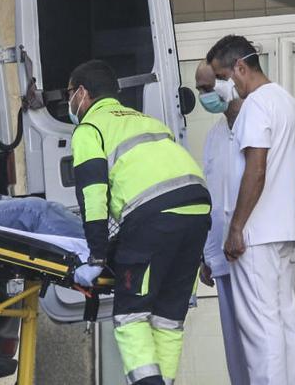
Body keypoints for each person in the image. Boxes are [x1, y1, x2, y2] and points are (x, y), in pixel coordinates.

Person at [68, 60, 211, 385]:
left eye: (69, 95)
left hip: (153, 216)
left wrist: (98, 255)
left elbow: (93, 194)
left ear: (81, 93)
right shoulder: (147, 121)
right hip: (197, 211)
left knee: (131, 316)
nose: (70, 105)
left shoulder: (90, 128)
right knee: (167, 320)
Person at [207, 35, 295, 385]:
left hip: (256, 236)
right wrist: (291, 218)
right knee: (284, 322)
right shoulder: (289, 103)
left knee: (259, 328)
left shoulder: (256, 105)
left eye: (223, 77)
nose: (223, 86)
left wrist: (236, 228)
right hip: (283, 232)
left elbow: (256, 167)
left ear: (241, 67)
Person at [194, 61, 249, 385]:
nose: (203, 96)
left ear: (228, 81)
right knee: (236, 353)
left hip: (252, 253)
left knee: (261, 346)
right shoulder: (214, 136)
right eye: (199, 89)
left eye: (206, 87)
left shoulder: (260, 122)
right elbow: (213, 197)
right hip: (223, 259)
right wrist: (207, 255)